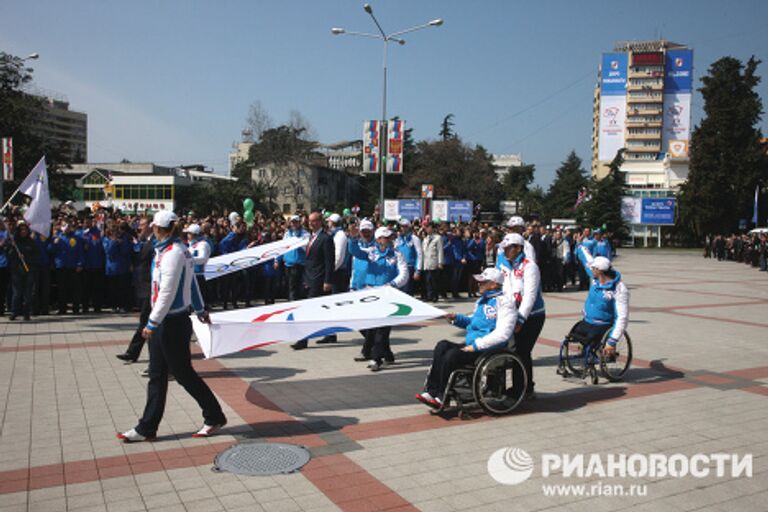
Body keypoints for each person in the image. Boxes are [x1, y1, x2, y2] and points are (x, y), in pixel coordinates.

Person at [117, 210, 226, 442]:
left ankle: (214, 416)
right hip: (167, 321)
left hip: (171, 323)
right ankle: (146, 427)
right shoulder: (169, 250)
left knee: (183, 374)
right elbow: (191, 284)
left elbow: (168, 292)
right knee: (157, 375)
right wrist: (200, 308)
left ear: (158, 229)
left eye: (153, 227)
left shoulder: (175, 253)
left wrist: (152, 323)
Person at [416, 267, 517, 408]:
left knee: (452, 356)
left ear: (494, 284)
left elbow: (503, 334)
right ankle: (431, 391)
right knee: (442, 345)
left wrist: (476, 346)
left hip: (487, 349)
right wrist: (455, 318)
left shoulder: (504, 303)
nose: (479, 284)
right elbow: (472, 321)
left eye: (483, 282)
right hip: (472, 345)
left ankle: (442, 396)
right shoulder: (482, 301)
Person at [557, 249, 629, 374]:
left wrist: (612, 341)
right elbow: (587, 259)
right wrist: (580, 246)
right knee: (569, 339)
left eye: (593, 268)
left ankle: (596, 357)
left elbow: (622, 317)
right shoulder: (595, 278)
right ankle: (572, 360)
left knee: (591, 340)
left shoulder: (619, 289)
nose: (591, 269)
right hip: (587, 321)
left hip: (603, 324)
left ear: (599, 270)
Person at [347, 225, 408, 371]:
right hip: (371, 295)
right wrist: (354, 238)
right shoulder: (371, 253)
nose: (387, 240)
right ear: (378, 239)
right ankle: (386, 354)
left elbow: (404, 274)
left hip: (387, 295)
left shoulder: (397, 254)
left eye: (389, 237)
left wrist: (393, 284)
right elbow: (355, 252)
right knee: (372, 327)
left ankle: (376, 359)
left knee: (382, 329)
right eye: (384, 237)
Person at [496, 233, 545, 398]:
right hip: (511, 313)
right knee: (504, 348)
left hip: (532, 316)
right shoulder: (507, 265)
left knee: (522, 351)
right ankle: (503, 387)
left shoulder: (529, 266)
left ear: (518, 248)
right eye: (503, 248)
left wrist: (521, 319)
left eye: (508, 248)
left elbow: (530, 296)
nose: (504, 251)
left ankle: (523, 389)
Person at [291, 211, 335, 350]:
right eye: (309, 221)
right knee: (319, 310)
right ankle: (330, 333)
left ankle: (303, 340)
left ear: (320, 222)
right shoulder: (311, 237)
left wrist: (328, 281)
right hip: (308, 278)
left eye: (314, 221)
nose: (311, 223)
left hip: (318, 279)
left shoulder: (326, 238)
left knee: (308, 311)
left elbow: (329, 262)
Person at [117, 217, 153, 364]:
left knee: (147, 322)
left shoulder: (154, 244)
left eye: (142, 225)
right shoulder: (144, 242)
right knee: (146, 322)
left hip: (150, 288)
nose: (139, 228)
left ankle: (140, 355)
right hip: (142, 287)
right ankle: (133, 353)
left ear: (151, 227)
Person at [6, 222, 38, 321]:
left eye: (25, 230)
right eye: (21, 230)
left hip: (29, 270)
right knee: (17, 292)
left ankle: (26, 313)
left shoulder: (31, 242)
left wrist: (26, 257)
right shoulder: (14, 242)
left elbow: (36, 255)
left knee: (27, 293)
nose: (23, 231)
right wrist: (12, 248)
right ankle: (14, 312)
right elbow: (9, 255)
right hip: (17, 270)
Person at [51, 221, 84, 314]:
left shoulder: (76, 238)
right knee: (62, 289)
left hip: (73, 267)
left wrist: (80, 264)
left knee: (75, 289)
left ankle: (76, 309)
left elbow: (80, 252)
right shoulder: (58, 237)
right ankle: (62, 309)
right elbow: (50, 250)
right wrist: (54, 243)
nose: (66, 228)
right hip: (61, 266)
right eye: (64, 226)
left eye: (68, 226)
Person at [276, 215, 309, 302]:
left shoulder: (304, 234)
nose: (294, 224)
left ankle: (293, 302)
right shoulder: (287, 234)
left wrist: (298, 241)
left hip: (298, 264)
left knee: (294, 286)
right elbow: (282, 247)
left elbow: (306, 248)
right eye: (292, 222)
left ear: (299, 223)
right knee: (289, 286)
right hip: (287, 264)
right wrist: (277, 260)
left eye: (295, 222)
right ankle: (291, 301)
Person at [395, 218, 422, 295]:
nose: (403, 228)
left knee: (408, 291)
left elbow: (419, 255)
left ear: (409, 227)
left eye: (405, 226)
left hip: (409, 267)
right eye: (401, 226)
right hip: (399, 268)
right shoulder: (398, 239)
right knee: (399, 291)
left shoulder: (414, 239)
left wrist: (418, 270)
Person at [420, 221, 443, 302]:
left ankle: (434, 296)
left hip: (434, 261)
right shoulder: (425, 239)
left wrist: (440, 262)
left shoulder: (438, 238)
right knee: (427, 280)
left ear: (432, 228)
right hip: (426, 262)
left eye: (428, 227)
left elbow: (440, 251)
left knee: (434, 281)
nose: (427, 229)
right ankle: (429, 296)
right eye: (426, 227)